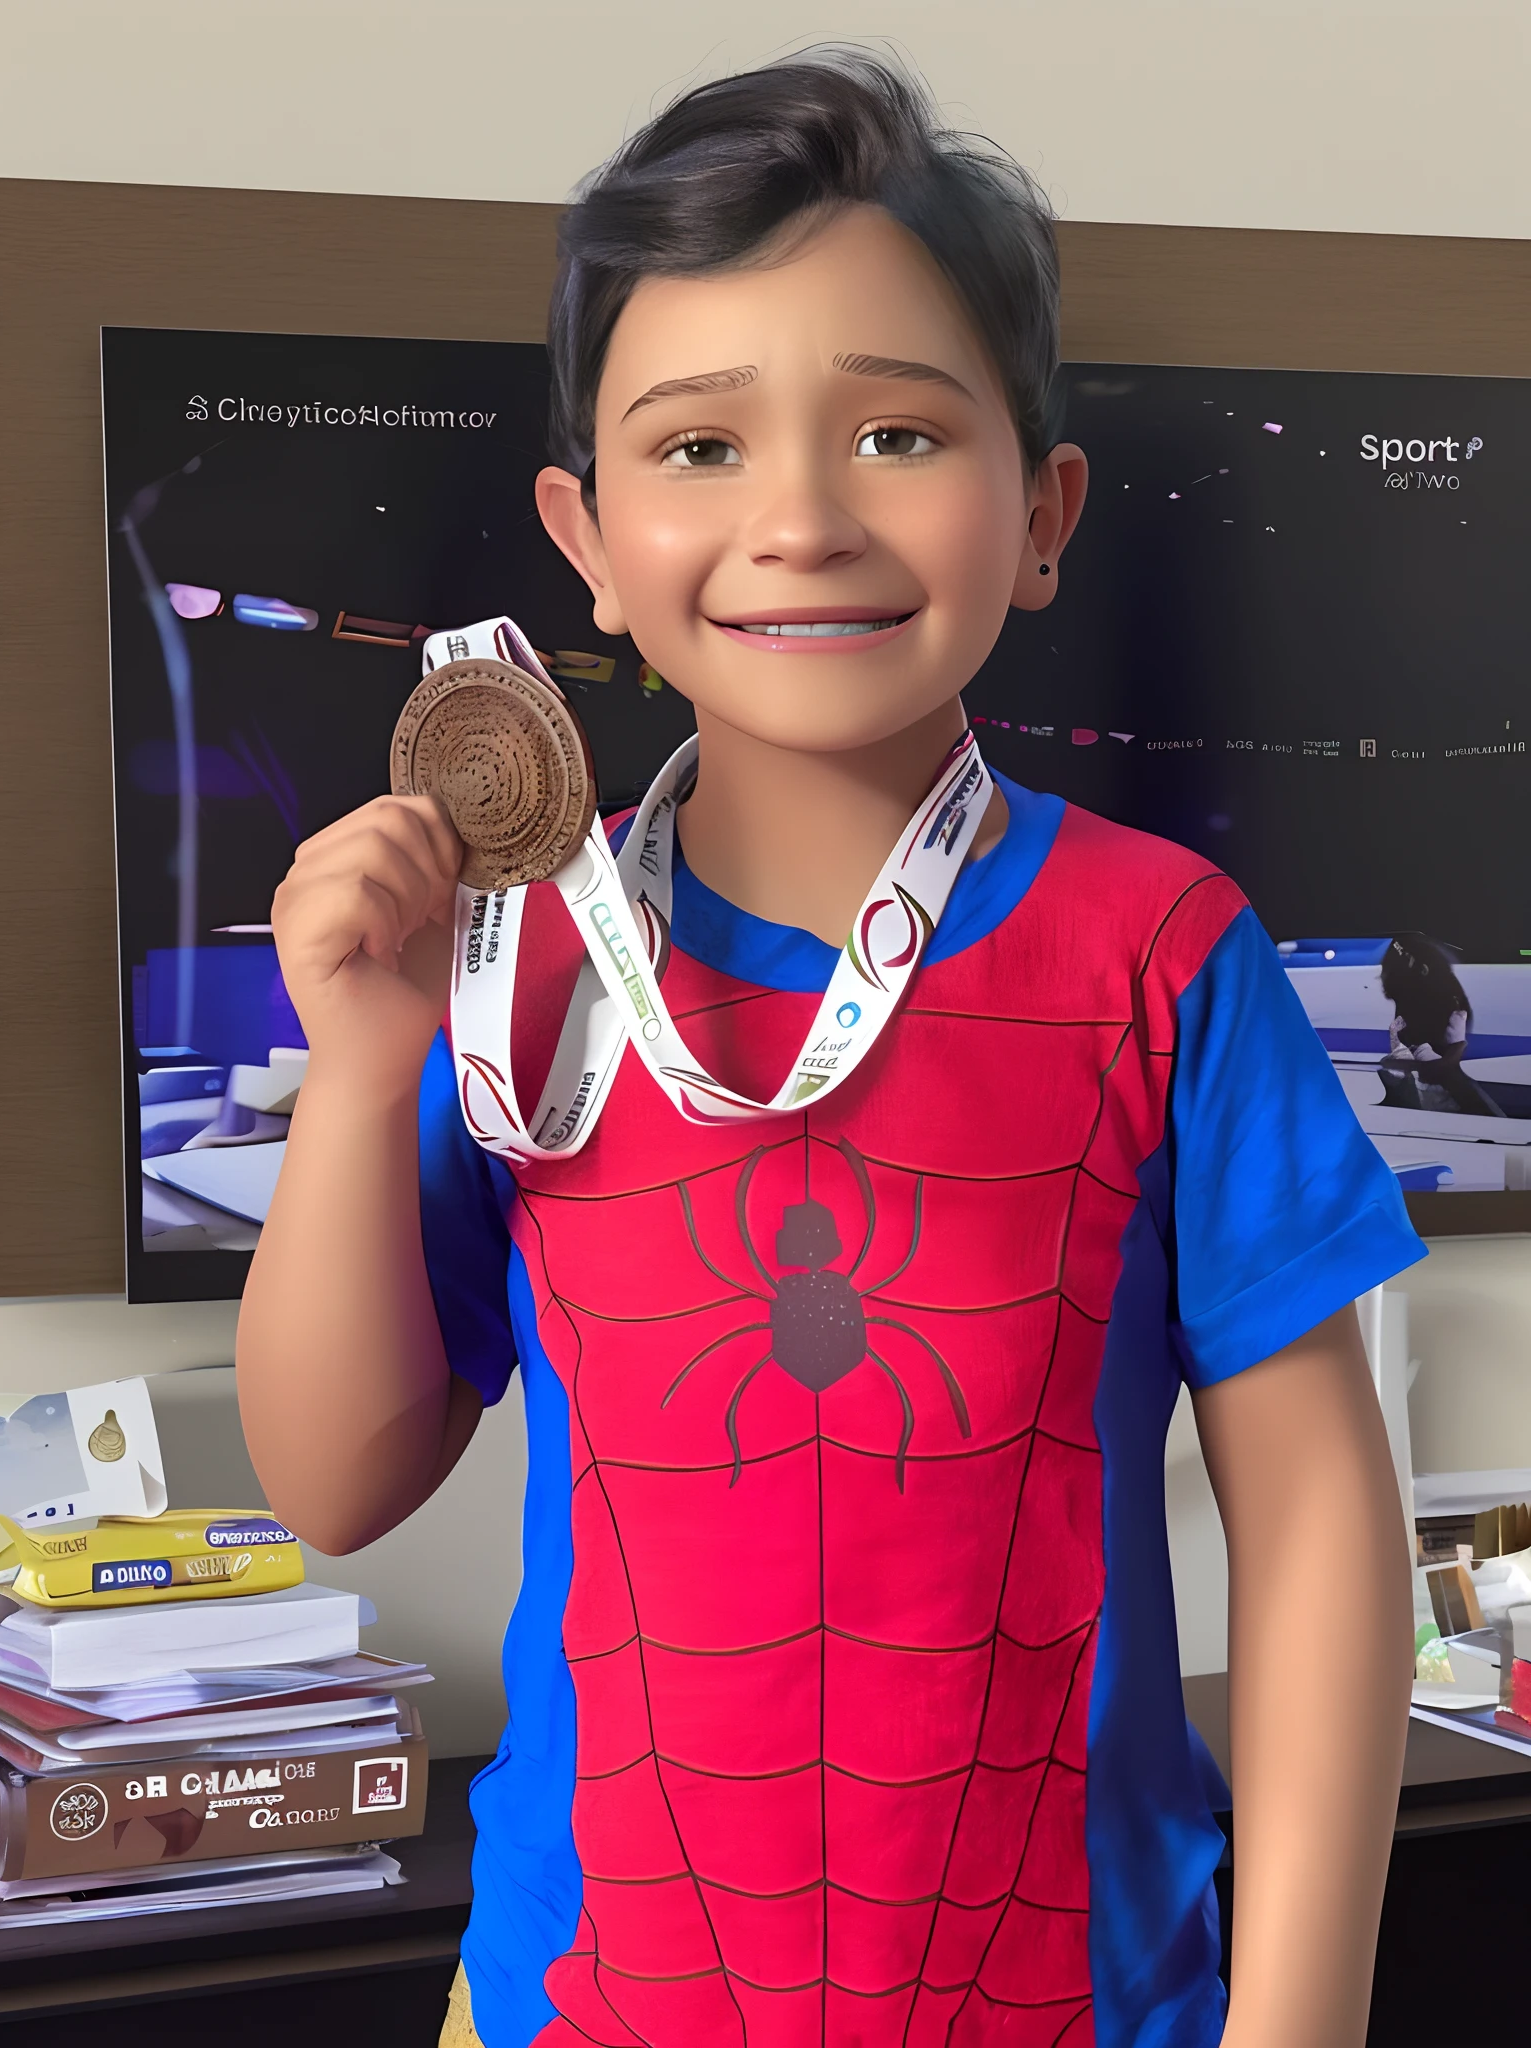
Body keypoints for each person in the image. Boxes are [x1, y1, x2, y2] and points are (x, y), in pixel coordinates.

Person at [237, 51, 1422, 2048]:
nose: (798, 518)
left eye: (893, 431)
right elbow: (336, 1477)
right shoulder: (528, 949)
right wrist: (364, 1072)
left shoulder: (1161, 953)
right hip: (572, 2001)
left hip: (1074, 2001)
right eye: (697, 448)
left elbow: (1317, 1526)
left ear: (1039, 513)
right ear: (586, 536)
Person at [1378, 931, 1504, 1117]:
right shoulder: (1408, 956)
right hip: (1430, 1048)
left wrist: (1450, 1053)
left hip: (1436, 1051)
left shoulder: (1440, 995)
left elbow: (1438, 1069)